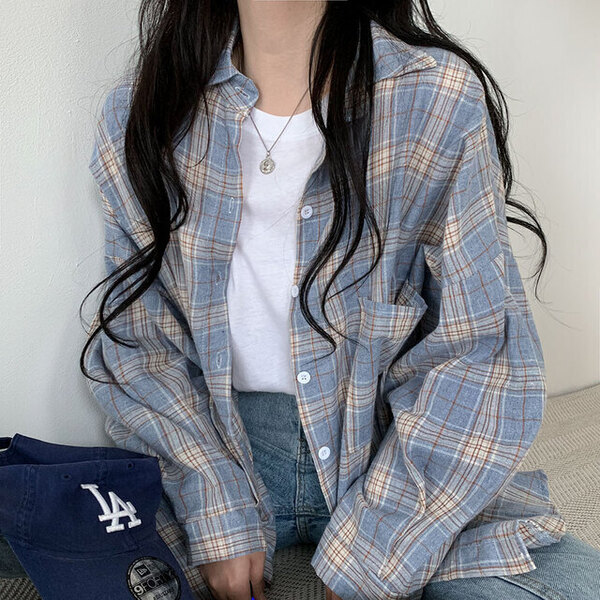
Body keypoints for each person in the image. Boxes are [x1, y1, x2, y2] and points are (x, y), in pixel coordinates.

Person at [76, 1, 600, 600]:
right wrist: (215, 502)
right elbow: (139, 340)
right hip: (211, 452)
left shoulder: (433, 97)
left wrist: (376, 551)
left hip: (397, 457)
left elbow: (479, 349)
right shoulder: (146, 110)